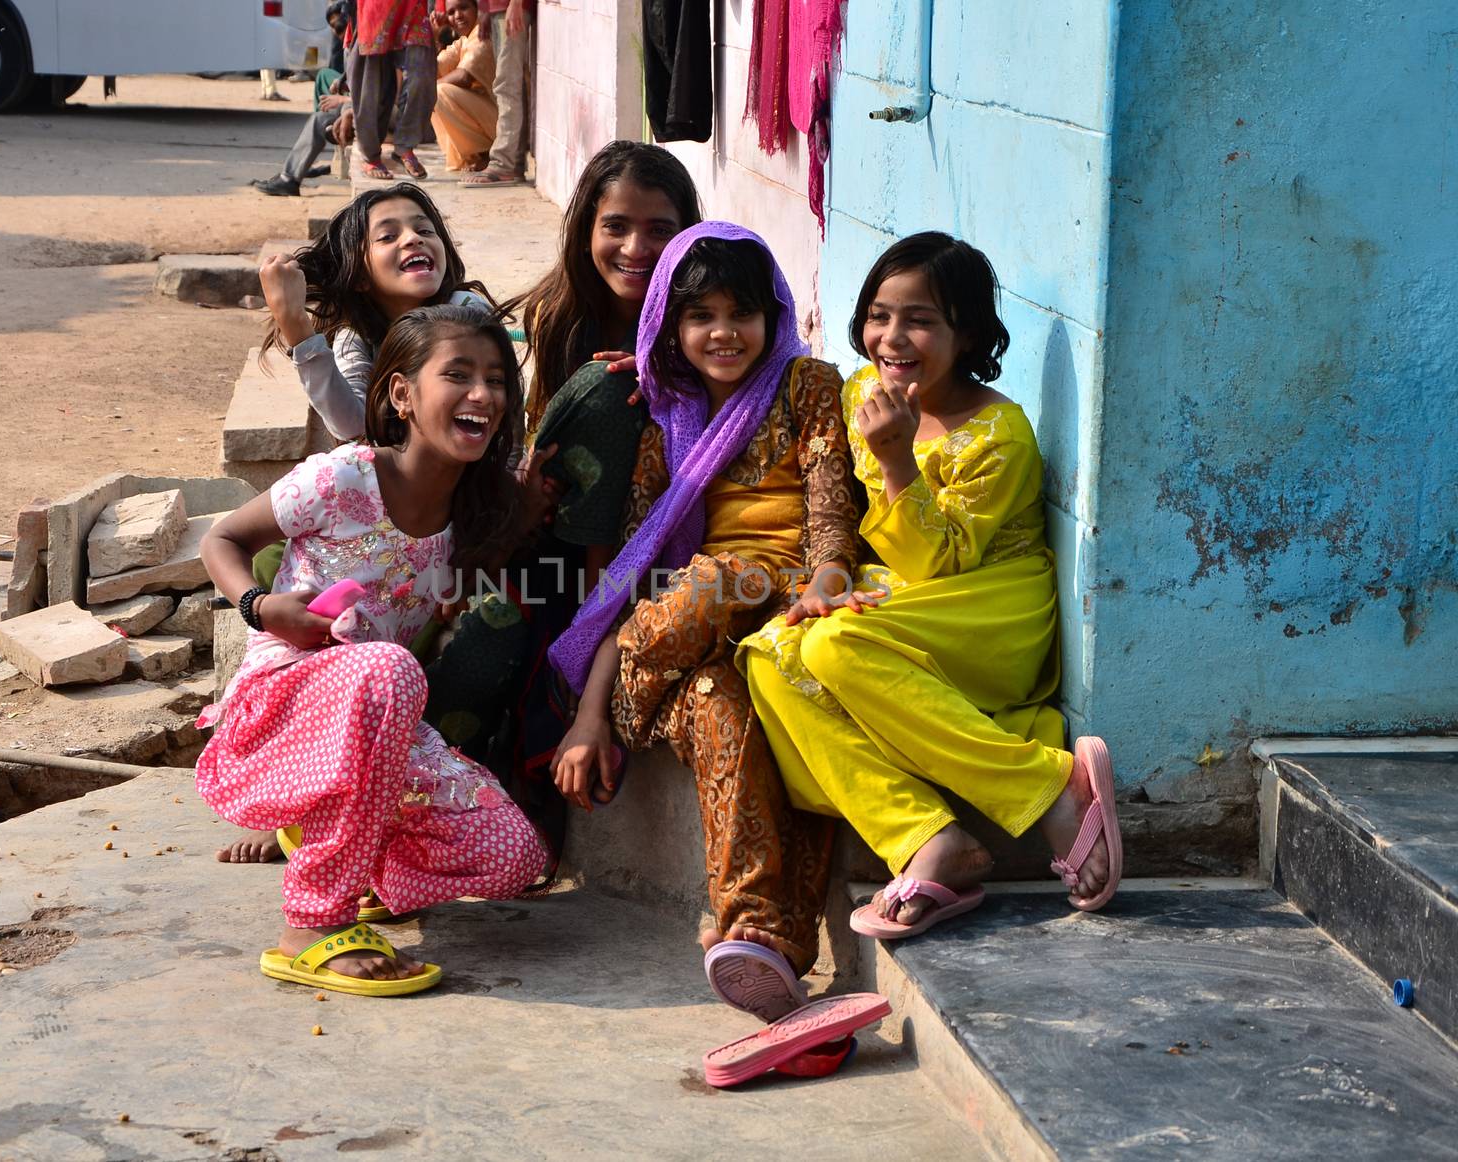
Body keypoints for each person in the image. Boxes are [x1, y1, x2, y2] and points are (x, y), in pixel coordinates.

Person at [740, 232, 1123, 941]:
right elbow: (849, 520)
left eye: (920, 320)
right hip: (908, 598)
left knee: (833, 651)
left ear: (966, 332)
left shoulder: (997, 434)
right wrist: (828, 581)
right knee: (769, 655)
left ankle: (1050, 788)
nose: (893, 336)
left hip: (990, 614)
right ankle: (925, 833)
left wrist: (894, 460)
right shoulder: (863, 394)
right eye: (880, 315)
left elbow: (936, 563)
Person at [548, 223, 863, 1022]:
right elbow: (627, 579)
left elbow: (831, 505)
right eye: (700, 316)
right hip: (689, 633)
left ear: (773, 313)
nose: (723, 333)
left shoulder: (808, 387)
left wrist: (826, 580)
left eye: (742, 312)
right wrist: (590, 716)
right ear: (670, 325)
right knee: (718, 671)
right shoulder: (666, 422)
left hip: (785, 598)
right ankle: (760, 936)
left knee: (732, 671)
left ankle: (766, 943)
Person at [196, 305, 549, 997]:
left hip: (379, 723)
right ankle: (311, 925)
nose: (484, 394)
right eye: (459, 375)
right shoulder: (341, 478)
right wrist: (262, 607)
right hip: (282, 704)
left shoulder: (473, 515)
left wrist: (528, 507)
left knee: (516, 855)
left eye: (496, 379)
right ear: (401, 395)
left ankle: (346, 865)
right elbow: (221, 540)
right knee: (390, 668)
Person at [418, 141, 701, 881]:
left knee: (609, 398)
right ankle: (424, 814)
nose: (636, 247)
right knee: (481, 650)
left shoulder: (707, 324)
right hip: (552, 548)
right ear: (584, 230)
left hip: (647, 560)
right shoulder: (556, 318)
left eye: (660, 227)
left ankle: (539, 747)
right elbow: (526, 436)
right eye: (616, 224)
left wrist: (667, 369)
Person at [261, 186, 492, 443]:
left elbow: (508, 410)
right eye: (387, 236)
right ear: (360, 276)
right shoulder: (356, 337)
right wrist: (296, 328)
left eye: (425, 230)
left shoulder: (466, 310)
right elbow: (351, 425)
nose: (413, 239)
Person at [348, 0, 435, 180]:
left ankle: (405, 145)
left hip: (413, 8)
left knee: (422, 75)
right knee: (371, 84)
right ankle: (370, 155)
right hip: (375, 9)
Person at [250, 66, 353, 197]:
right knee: (324, 76)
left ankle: (289, 179)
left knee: (319, 120)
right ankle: (305, 160)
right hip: (358, 97)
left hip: (365, 109)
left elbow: (376, 98)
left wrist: (343, 100)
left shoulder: (372, 52)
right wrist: (342, 82)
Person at [461, 0, 531, 186]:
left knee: (507, 85)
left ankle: (503, 164)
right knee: (511, 84)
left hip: (511, 8)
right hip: (498, 9)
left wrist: (516, 4)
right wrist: (485, 10)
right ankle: (513, 163)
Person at [430, 0, 496, 173]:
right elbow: (431, 71)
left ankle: (485, 154)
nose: (457, 16)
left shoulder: (482, 31)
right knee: (430, 92)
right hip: (488, 118)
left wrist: (429, 89)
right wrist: (436, 35)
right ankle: (473, 156)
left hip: (504, 124)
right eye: (451, 12)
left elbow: (464, 76)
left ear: (477, 8)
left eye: (464, 8)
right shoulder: (464, 40)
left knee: (438, 93)